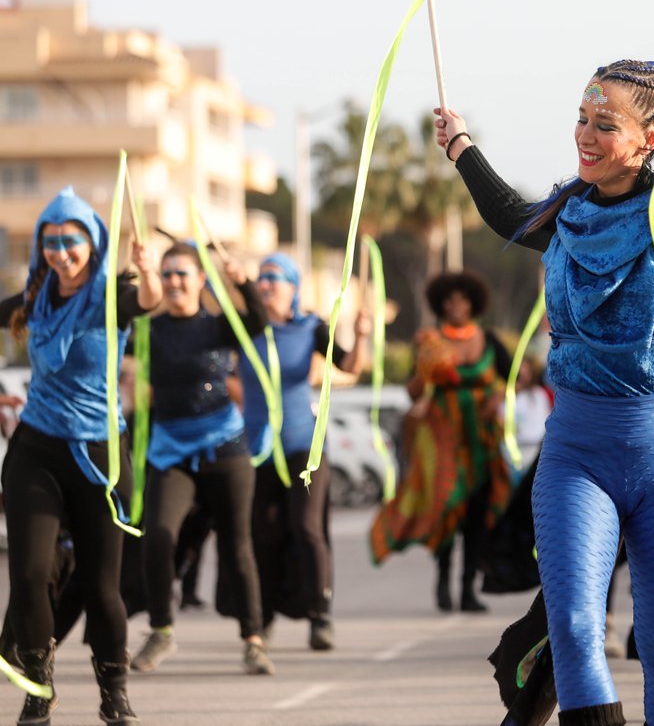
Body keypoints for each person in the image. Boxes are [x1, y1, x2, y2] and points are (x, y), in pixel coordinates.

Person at [435, 47, 654, 726]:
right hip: (576, 456)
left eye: (605, 125)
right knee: (575, 629)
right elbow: (507, 211)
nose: (586, 134)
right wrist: (460, 145)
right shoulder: (567, 216)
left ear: (649, 141)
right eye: (581, 118)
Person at [0, 187, 160, 725]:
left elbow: (149, 301)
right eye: (51, 242)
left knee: (101, 585)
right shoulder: (34, 299)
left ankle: (114, 693)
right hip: (36, 449)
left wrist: (149, 270)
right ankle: (37, 688)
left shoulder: (113, 295)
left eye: (71, 240)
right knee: (29, 576)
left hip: (99, 454)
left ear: (92, 243)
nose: (61, 251)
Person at [130, 242, 275, 676]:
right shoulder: (148, 330)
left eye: (182, 273)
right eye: (167, 273)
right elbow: (111, 329)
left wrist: (243, 282)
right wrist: (133, 275)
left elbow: (259, 320)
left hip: (224, 446)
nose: (174, 281)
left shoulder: (219, 326)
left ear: (200, 280)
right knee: (157, 536)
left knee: (236, 545)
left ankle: (253, 640)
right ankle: (161, 630)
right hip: (170, 449)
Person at [241, 253, 368, 650]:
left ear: (293, 287)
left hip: (304, 446)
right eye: (261, 277)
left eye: (274, 277)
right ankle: (263, 617)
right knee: (262, 534)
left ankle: (320, 615)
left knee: (307, 528)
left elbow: (350, 366)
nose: (265, 284)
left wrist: (361, 335)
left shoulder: (311, 327)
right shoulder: (244, 327)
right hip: (258, 446)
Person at [370, 271, 511, 614]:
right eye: (449, 301)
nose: (456, 306)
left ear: (473, 304)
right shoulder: (429, 341)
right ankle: (443, 583)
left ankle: (468, 588)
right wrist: (425, 368)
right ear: (440, 305)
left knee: (477, 513)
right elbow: (412, 392)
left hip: (481, 440)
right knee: (447, 508)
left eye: (462, 300)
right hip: (442, 438)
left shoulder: (489, 340)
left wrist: (499, 396)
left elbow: (516, 376)